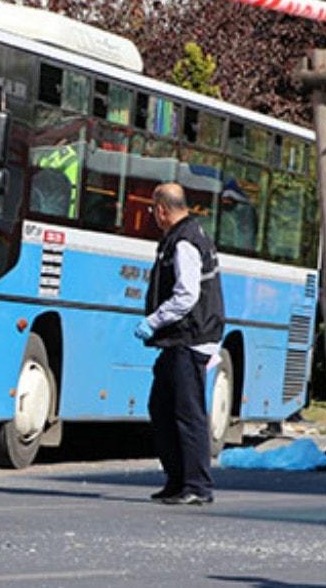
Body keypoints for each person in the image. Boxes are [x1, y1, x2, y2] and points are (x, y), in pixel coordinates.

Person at [134, 182, 225, 506]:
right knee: (161, 408)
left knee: (187, 414)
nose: (153, 216)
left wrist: (154, 321)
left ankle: (197, 485)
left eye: (152, 210)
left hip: (188, 337)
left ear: (161, 209)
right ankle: (177, 480)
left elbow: (187, 294)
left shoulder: (185, 241)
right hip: (182, 339)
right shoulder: (188, 234)